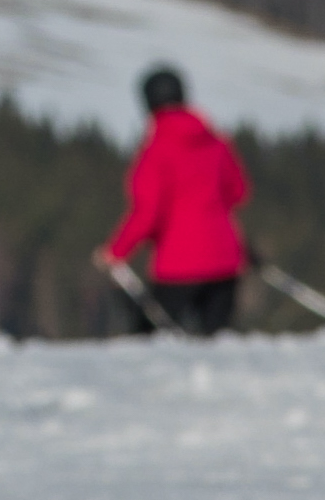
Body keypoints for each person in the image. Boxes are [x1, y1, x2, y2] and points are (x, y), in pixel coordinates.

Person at [106, 66, 250, 334]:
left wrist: (116, 251)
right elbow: (238, 192)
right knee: (217, 346)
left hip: (178, 266)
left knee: (147, 343)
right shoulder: (217, 142)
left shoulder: (155, 150)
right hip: (226, 261)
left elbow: (147, 213)